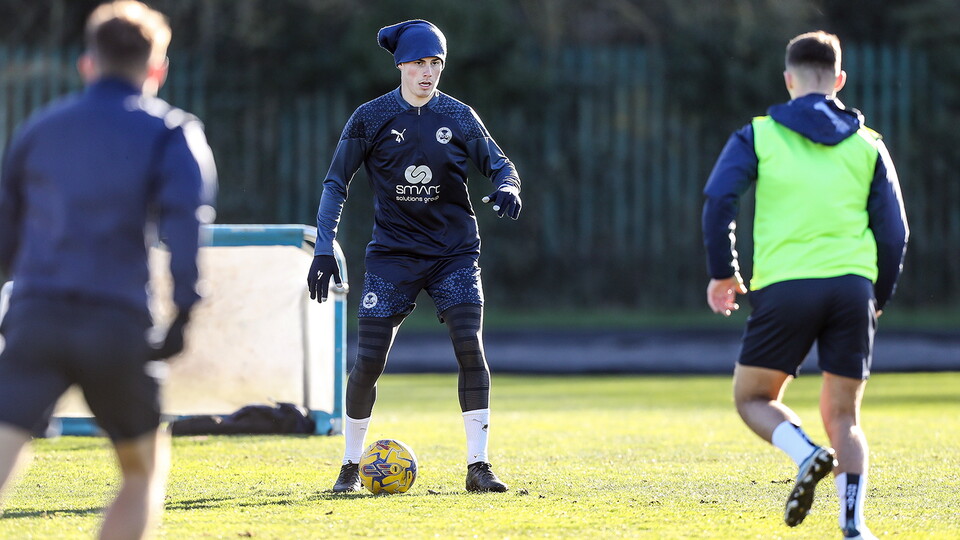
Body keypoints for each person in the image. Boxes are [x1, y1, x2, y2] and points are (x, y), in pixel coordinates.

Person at [0, 1, 216, 538]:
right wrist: (185, 312)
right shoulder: (172, 130)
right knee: (142, 472)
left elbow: (5, 236)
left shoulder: (39, 128)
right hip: (115, 325)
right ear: (156, 68)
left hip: (35, 320)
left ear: (87, 63)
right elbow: (187, 225)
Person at [701, 31, 907, 539]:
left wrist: (724, 271)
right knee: (845, 416)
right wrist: (877, 297)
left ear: (789, 79)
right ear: (839, 81)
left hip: (786, 287)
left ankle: (806, 452)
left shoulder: (758, 135)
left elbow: (719, 201)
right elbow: (896, 232)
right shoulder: (869, 145)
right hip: (852, 288)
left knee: (752, 397)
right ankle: (855, 526)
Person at [306, 19, 522, 494]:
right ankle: (349, 466)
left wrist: (508, 186)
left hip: (454, 254)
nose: (428, 72)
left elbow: (501, 165)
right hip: (393, 256)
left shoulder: (461, 116)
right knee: (367, 361)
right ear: (401, 64)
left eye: (436, 63)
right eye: (419, 63)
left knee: (471, 347)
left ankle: (478, 467)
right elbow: (335, 184)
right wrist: (323, 246)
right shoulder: (371, 117)